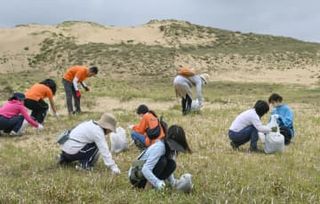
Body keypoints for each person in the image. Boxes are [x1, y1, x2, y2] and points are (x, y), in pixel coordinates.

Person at [129, 125, 192, 190]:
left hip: (145, 174)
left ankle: (153, 185)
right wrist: (158, 183)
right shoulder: (160, 147)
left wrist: (173, 183)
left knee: (172, 164)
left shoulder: (171, 150)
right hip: (136, 177)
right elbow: (145, 169)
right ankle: (147, 187)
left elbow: (169, 168)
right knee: (162, 161)